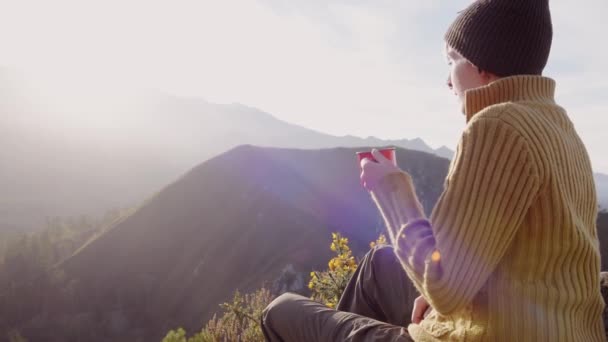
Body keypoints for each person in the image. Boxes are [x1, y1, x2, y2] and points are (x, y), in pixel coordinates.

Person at [261, 0, 606, 340]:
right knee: (379, 265)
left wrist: (392, 190)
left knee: (280, 310)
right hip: (557, 327)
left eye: (452, 60)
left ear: (482, 64)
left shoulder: (497, 126)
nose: (448, 80)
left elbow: (444, 288)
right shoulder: (560, 125)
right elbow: (535, 258)